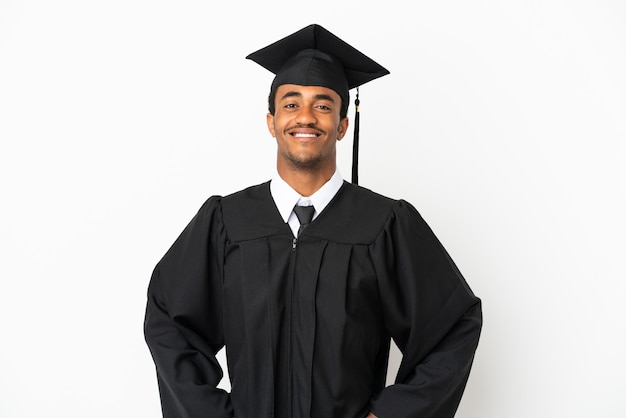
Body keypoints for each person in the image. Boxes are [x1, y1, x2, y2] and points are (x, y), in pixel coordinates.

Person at [144, 24, 482, 418]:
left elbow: (453, 325)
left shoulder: (385, 225)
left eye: (323, 105)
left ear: (342, 125)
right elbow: (169, 320)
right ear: (271, 122)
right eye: (291, 104)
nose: (305, 116)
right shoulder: (226, 222)